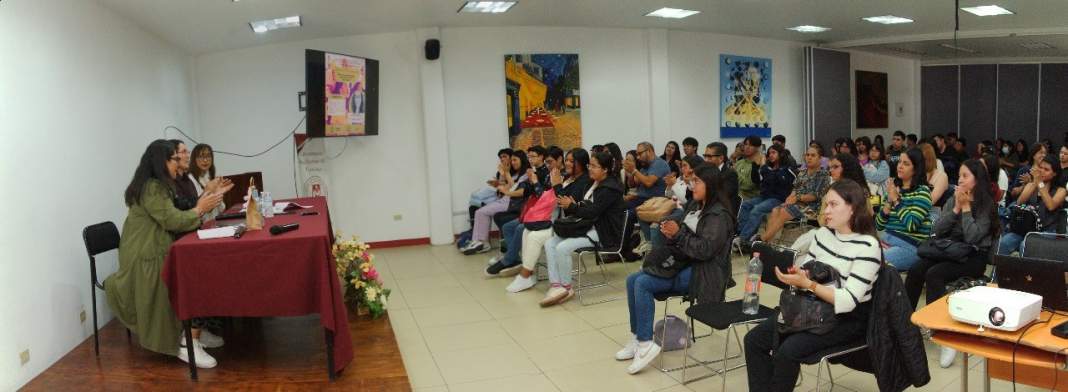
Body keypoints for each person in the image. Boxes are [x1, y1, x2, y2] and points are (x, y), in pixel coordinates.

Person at [744, 180, 882, 391]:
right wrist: (801, 275)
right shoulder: (823, 234)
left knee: (788, 350)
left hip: (847, 319)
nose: (826, 211)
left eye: (833, 205)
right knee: (754, 340)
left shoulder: (868, 246)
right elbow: (811, 271)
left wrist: (808, 283)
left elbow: (848, 301)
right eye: (825, 204)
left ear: (853, 208)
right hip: (812, 307)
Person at [104, 140, 226, 369]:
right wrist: (201, 208)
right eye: (175, 158)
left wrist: (201, 205)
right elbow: (171, 219)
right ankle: (186, 343)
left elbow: (175, 215)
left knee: (198, 271)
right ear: (162, 162)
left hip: (156, 247)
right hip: (144, 255)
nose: (180, 161)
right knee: (191, 278)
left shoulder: (159, 185)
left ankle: (194, 333)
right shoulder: (152, 187)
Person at [618, 165, 735, 374]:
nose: (692, 184)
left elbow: (705, 250)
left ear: (711, 185)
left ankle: (646, 344)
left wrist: (678, 234)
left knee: (642, 283)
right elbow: (684, 232)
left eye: (697, 181)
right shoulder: (695, 204)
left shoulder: (718, 215)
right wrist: (671, 230)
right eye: (692, 180)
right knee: (631, 280)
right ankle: (637, 337)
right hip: (684, 261)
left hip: (704, 272)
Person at [905, 159, 999, 368]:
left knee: (934, 274)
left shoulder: (986, 204)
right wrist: (956, 208)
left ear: (977, 180)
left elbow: (975, 237)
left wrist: (966, 209)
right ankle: (905, 324)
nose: (961, 180)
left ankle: (938, 330)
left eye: (966, 176)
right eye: (960, 176)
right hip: (949, 249)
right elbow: (937, 229)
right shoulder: (953, 199)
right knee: (916, 269)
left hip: (973, 257)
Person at [541, 151, 626, 306]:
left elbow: (593, 211)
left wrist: (574, 206)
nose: (590, 169)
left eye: (594, 166)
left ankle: (566, 287)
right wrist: (576, 204)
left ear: (605, 169)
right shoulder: (593, 183)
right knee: (550, 243)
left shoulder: (610, 189)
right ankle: (556, 285)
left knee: (562, 248)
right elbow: (585, 206)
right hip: (587, 226)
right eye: (589, 165)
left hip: (603, 233)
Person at [503, 148, 592, 292]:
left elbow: (568, 205)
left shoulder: (585, 181)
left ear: (581, 163)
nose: (567, 163)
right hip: (558, 221)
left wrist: (556, 186)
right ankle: (528, 275)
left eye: (571, 161)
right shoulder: (568, 177)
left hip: (572, 224)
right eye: (566, 160)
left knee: (535, 237)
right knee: (527, 232)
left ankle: (525, 275)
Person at [485, 147, 562, 275]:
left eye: (533, 156)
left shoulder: (549, 174)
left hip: (544, 215)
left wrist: (533, 182)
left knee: (520, 227)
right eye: (529, 157)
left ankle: (509, 259)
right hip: (530, 210)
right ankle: (514, 258)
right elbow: (525, 191)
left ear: (542, 157)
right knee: (507, 227)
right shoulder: (532, 172)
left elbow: (543, 197)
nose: (530, 159)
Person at [758, 146, 831, 243]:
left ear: (820, 158)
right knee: (775, 210)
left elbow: (815, 196)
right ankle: (769, 243)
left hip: (812, 208)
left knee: (784, 212)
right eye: (807, 155)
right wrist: (789, 199)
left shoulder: (823, 174)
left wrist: (796, 198)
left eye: (813, 155)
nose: (809, 158)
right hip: (797, 204)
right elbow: (795, 189)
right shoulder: (802, 173)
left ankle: (761, 240)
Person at [877, 148, 933, 271]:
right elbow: (879, 225)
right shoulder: (894, 190)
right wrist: (889, 202)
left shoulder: (922, 192)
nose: (900, 166)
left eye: (906, 164)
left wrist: (897, 201)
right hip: (886, 240)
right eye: (900, 162)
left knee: (872, 265)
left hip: (909, 246)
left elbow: (911, 224)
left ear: (916, 169)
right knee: (858, 257)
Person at [998, 155, 1067, 255]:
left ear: (1054, 174)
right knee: (1004, 243)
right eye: (1040, 167)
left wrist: (1040, 183)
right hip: (1024, 228)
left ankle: (1026, 270)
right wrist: (1034, 183)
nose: (1042, 171)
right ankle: (1000, 270)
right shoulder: (1032, 184)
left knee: (1026, 245)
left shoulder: (1061, 190)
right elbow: (1019, 202)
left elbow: (1050, 206)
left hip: (1046, 231)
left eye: (1046, 169)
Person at [464, 150, 529, 254]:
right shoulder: (513, 172)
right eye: (512, 160)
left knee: (481, 212)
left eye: (515, 160)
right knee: (477, 209)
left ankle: (482, 242)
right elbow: (505, 187)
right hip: (504, 199)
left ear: (522, 160)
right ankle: (478, 240)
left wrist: (505, 174)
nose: (512, 162)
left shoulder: (526, 173)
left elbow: (514, 189)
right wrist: (501, 180)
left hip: (512, 202)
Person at [736, 144, 795, 250]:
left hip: (779, 199)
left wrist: (763, 167)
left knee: (757, 210)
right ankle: (741, 234)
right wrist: (755, 165)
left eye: (774, 153)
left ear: (781, 154)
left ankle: (743, 240)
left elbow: (773, 179)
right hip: (765, 197)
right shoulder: (769, 168)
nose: (770, 155)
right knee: (745, 205)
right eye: (769, 153)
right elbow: (757, 180)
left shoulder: (786, 169)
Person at [626, 142, 671, 248]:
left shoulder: (659, 164)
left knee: (628, 214)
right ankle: (620, 244)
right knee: (616, 208)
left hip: (654, 200)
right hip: (640, 198)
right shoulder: (644, 166)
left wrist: (634, 170)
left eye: (639, 153)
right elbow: (633, 184)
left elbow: (648, 182)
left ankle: (631, 245)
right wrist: (630, 174)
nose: (638, 157)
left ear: (649, 151)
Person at [188, 144, 232, 221]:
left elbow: (221, 209)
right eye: (201, 156)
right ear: (194, 159)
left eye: (208, 156)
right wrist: (210, 192)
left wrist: (219, 194)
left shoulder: (210, 177)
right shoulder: (190, 179)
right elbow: (198, 209)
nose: (205, 160)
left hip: (215, 221)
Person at [919, 143, 950, 223]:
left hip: (934, 213)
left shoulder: (941, 176)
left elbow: (930, 201)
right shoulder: (917, 173)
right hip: (916, 210)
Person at [736, 136, 765, 200]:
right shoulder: (739, 162)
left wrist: (735, 175)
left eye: (751, 145)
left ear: (758, 148)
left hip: (750, 198)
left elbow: (748, 186)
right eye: (746, 144)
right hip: (736, 195)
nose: (747, 147)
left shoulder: (760, 164)